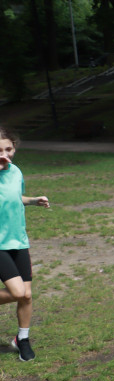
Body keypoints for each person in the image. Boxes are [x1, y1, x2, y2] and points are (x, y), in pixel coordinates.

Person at [0, 127, 49, 362]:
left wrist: (33, 201)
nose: (4, 154)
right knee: (17, 292)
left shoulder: (16, 171)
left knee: (26, 296)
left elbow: (15, 197)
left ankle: (23, 339)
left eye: (8, 149)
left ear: (14, 148)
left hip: (18, 241)